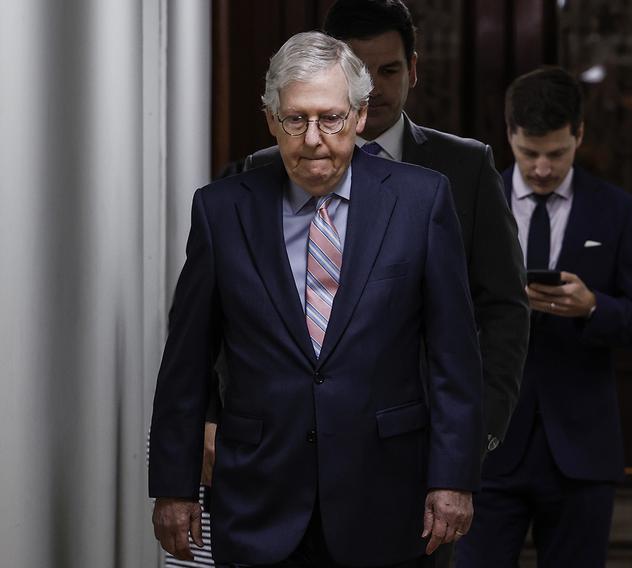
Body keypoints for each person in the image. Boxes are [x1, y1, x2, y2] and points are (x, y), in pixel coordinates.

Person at [148, 31, 483, 568]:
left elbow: (454, 358)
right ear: (270, 120)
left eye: (329, 118)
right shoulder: (221, 210)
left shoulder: (422, 201)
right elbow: (186, 360)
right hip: (260, 496)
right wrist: (174, 485)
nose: (312, 139)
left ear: (357, 115)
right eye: (295, 119)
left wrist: (454, 478)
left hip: (386, 496)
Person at [234, 0, 528, 456]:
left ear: (413, 69)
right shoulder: (267, 169)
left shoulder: (465, 169)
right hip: (290, 440)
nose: (373, 90)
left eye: (389, 71)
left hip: (426, 438)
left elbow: (503, 306)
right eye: (360, 73)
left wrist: (482, 424)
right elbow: (233, 308)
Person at [455, 67, 632, 567]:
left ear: (580, 135)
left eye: (556, 153)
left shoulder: (618, 212)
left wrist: (593, 307)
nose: (542, 168)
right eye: (529, 154)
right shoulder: (469, 206)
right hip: (488, 445)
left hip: (581, 450)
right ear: (508, 135)